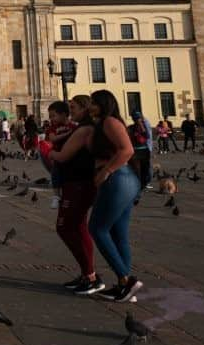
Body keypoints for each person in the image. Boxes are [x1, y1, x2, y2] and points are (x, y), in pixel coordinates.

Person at [87, 90, 141, 302]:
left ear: (103, 104)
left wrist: (106, 171)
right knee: (119, 234)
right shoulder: (103, 124)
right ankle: (125, 288)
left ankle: (127, 281)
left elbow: (126, 150)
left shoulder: (110, 121)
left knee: (97, 229)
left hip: (118, 179)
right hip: (123, 180)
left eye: (93, 102)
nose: (91, 105)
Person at [48, 95, 103, 295]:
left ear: (85, 109)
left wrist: (51, 154)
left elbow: (62, 155)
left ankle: (91, 276)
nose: (70, 111)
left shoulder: (84, 129)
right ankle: (88, 273)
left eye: (73, 107)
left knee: (65, 228)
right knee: (78, 228)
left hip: (80, 184)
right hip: (76, 183)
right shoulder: (81, 127)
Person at [127, 109, 153, 192]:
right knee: (136, 170)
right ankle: (138, 186)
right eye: (136, 118)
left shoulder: (145, 127)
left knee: (146, 169)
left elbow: (147, 136)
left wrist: (142, 127)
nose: (138, 120)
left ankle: (143, 184)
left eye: (139, 118)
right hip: (135, 152)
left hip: (144, 151)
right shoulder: (130, 128)